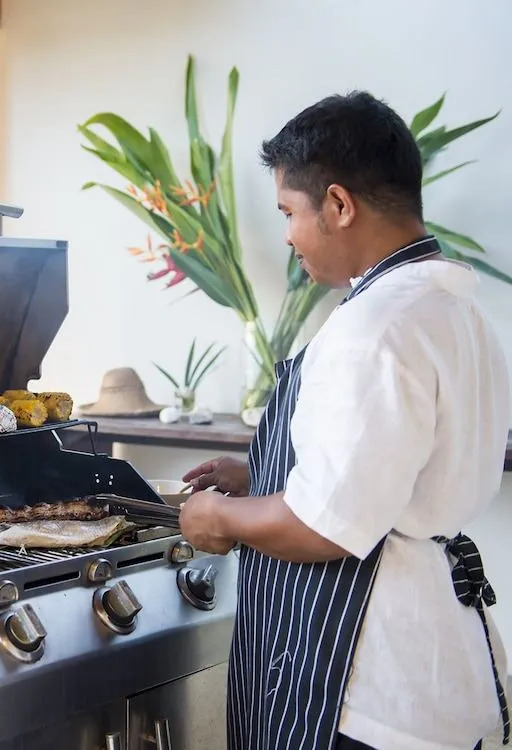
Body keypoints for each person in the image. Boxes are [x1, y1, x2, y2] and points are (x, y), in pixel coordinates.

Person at [178, 91, 510, 750]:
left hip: (371, 687)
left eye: (288, 212)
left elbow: (321, 525)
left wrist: (218, 519)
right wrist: (263, 474)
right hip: (441, 669)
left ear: (338, 205)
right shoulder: (454, 307)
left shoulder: (374, 327)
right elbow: (399, 469)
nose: (286, 235)